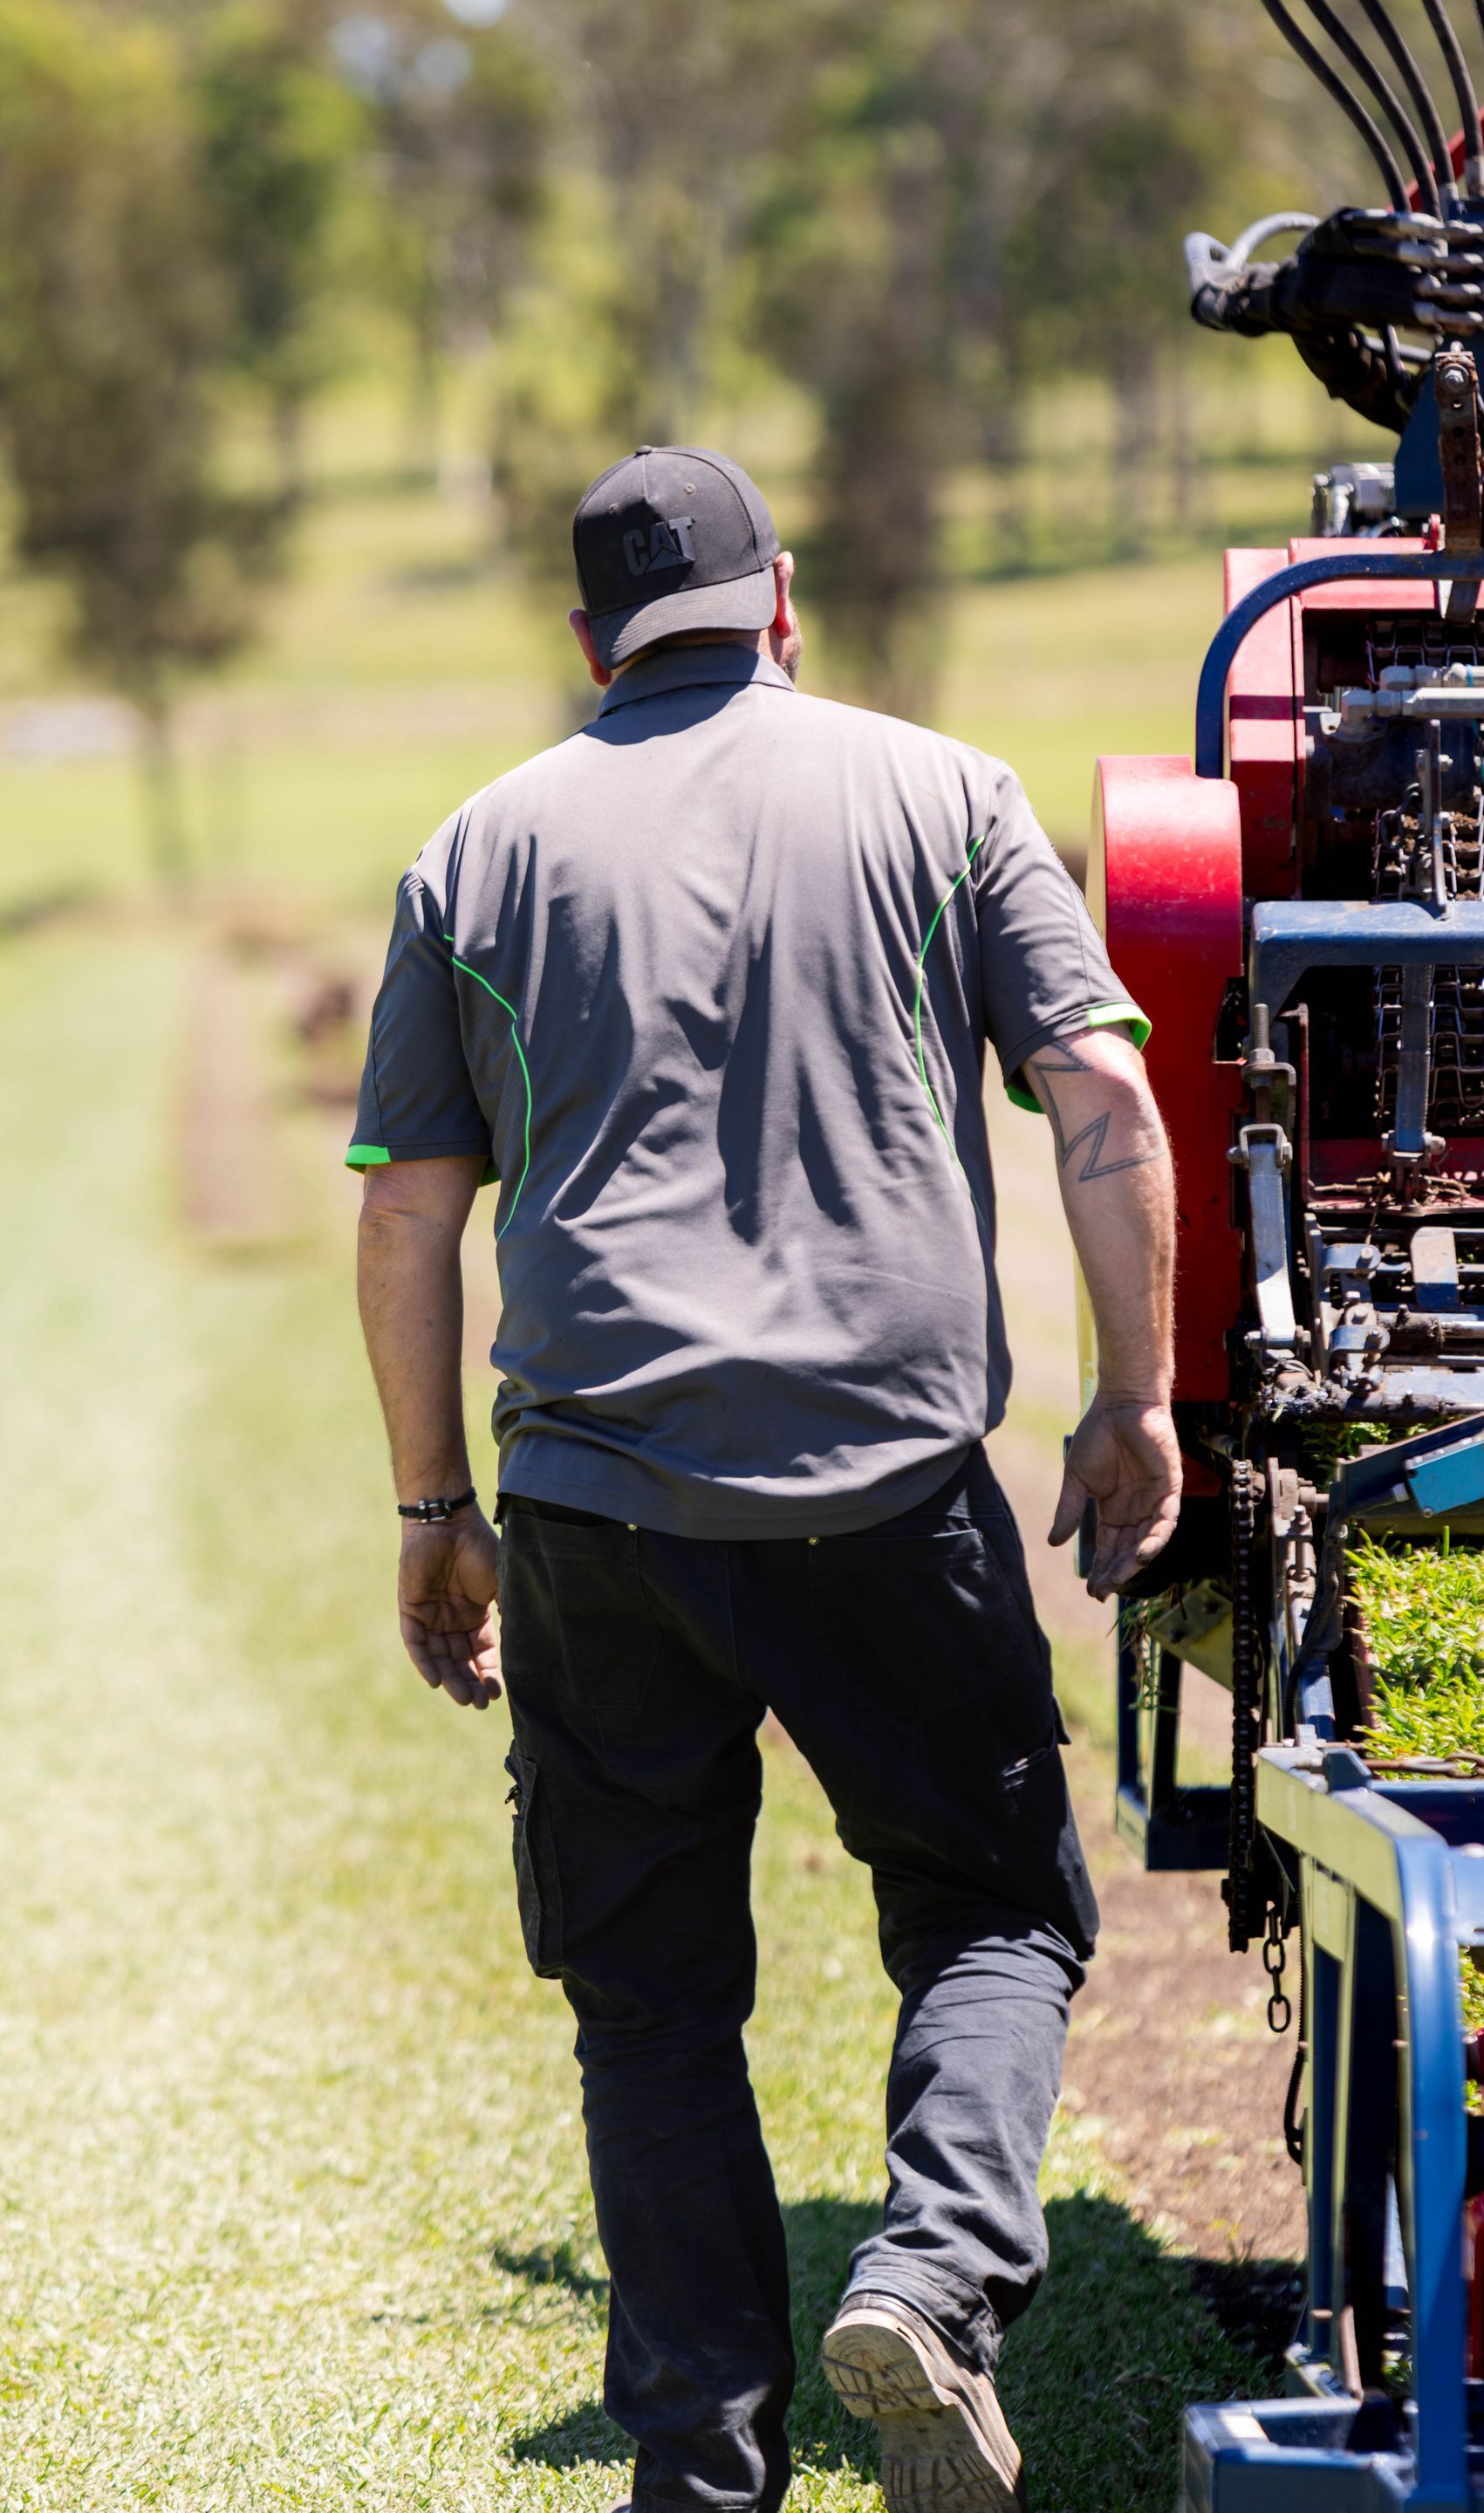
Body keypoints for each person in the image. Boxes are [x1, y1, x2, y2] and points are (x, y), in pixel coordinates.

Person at [350, 444, 1180, 2513]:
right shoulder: (945, 792)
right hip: (890, 1485)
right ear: (780, 598)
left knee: (647, 2002)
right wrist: (1130, 1397)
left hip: (599, 1506)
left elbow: (405, 1216)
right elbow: (1102, 1090)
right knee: (992, 1917)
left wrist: (433, 1511)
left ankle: (704, 2474)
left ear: (587, 641)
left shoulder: (477, 845)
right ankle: (931, 2270)